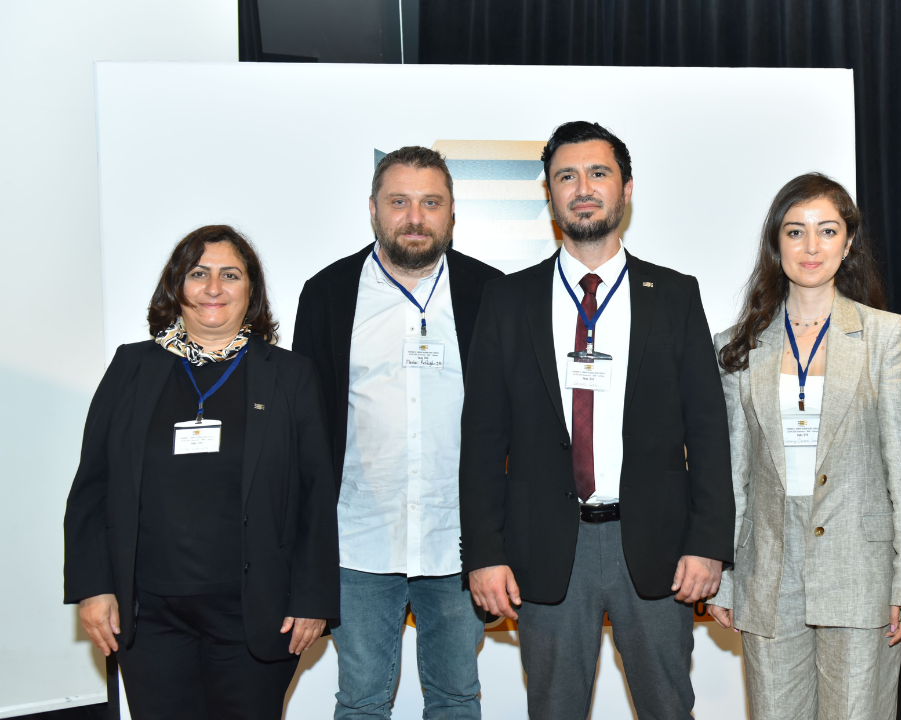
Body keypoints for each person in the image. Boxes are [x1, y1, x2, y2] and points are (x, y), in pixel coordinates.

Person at [460, 121, 735, 719]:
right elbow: (481, 440)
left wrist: (708, 543)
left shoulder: (676, 295)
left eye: (598, 173)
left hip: (658, 548)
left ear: (626, 189)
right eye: (567, 176)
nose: (583, 188)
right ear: (550, 194)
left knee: (669, 709)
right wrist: (483, 552)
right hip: (544, 549)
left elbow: (709, 432)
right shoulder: (508, 300)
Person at [63, 225, 338, 719]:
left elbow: (317, 494)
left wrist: (313, 598)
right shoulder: (131, 367)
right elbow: (92, 486)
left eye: (230, 275)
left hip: (256, 611)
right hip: (149, 614)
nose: (214, 287)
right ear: (176, 286)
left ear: (251, 290)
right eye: (198, 273)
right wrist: (93, 586)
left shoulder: (289, 374)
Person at [706, 173, 901, 719]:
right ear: (776, 243)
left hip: (861, 567)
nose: (811, 247)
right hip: (767, 566)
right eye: (795, 232)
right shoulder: (736, 347)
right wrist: (725, 578)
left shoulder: (886, 336)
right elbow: (733, 474)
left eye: (827, 231)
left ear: (848, 243)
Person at [293, 146, 502, 719]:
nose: (415, 217)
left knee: (456, 697)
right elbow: (304, 428)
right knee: (360, 701)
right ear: (372, 209)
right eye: (399, 202)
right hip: (359, 539)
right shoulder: (328, 292)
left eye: (431, 203)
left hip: (457, 540)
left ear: (452, 213)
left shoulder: (492, 292)